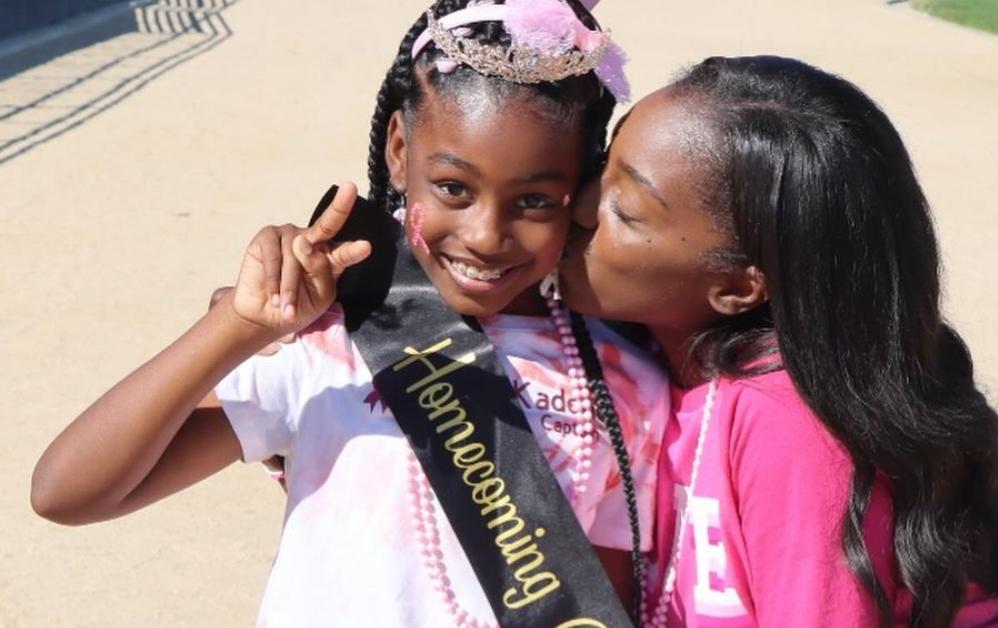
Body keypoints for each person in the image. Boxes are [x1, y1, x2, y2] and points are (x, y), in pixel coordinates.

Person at [30, 1, 667, 625]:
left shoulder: (622, 385)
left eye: (533, 200)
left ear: (582, 187)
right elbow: (67, 493)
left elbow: (600, 600)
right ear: (398, 148)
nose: (484, 234)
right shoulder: (332, 337)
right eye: (452, 188)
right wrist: (238, 329)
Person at [559, 55, 998, 627]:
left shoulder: (787, 421)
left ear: (738, 285)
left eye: (624, 210)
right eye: (604, 165)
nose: (578, 207)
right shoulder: (632, 351)